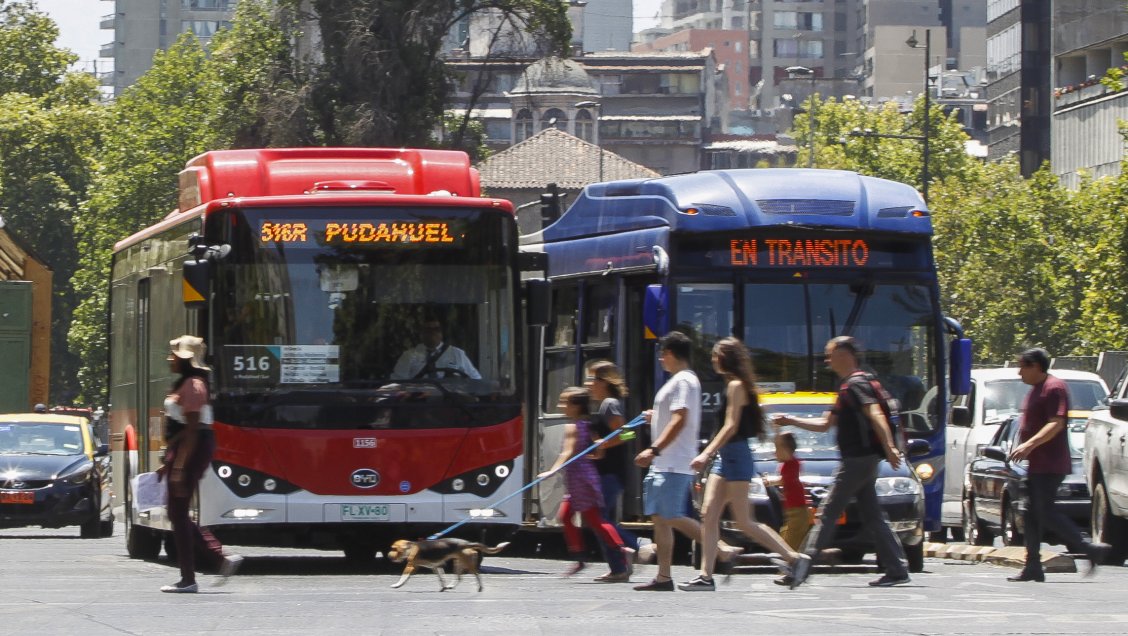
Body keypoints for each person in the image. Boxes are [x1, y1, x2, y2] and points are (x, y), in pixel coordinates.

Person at [773, 335, 911, 588]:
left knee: (827, 513)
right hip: (864, 460)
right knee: (873, 515)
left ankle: (799, 567)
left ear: (845, 355)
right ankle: (897, 569)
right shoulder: (848, 387)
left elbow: (875, 413)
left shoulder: (856, 385)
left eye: (830, 355)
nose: (827, 360)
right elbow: (825, 424)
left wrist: (890, 446)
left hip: (857, 460)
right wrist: (790, 420)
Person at [680, 337, 811, 591]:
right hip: (727, 456)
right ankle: (705, 576)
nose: (713, 360)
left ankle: (794, 558)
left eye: (716, 356)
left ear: (725, 359)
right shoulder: (735, 384)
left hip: (735, 455)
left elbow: (731, 426)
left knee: (743, 520)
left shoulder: (736, 386)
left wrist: (706, 453)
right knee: (708, 514)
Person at [1007, 347, 1109, 582]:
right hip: (1036, 465)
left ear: (1035, 366)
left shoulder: (1054, 388)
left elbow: (1056, 423)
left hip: (1050, 464)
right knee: (1030, 514)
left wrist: (1028, 445)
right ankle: (1033, 565)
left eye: (1022, 367)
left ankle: (1089, 548)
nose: (1019, 373)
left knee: (1045, 512)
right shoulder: (1036, 389)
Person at [157, 335, 242, 593]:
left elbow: (193, 430)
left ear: (186, 360)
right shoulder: (187, 383)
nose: (170, 359)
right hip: (186, 448)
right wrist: (169, 459)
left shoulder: (194, 385)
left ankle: (192, 576)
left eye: (174, 356)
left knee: (178, 512)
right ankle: (214, 561)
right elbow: (184, 429)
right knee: (177, 512)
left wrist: (179, 467)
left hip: (192, 448)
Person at [633, 331, 704, 592]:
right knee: (660, 518)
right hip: (664, 463)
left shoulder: (683, 381)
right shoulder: (678, 381)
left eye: (662, 354)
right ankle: (664, 577)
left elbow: (680, 419)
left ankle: (722, 548)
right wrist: (656, 417)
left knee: (671, 515)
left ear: (670, 353)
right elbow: (673, 417)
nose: (661, 359)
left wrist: (653, 449)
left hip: (673, 461)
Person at [538, 386, 634, 577]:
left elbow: (567, 451)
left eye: (564, 402)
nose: (560, 406)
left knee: (595, 519)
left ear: (576, 406)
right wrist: (593, 453)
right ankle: (581, 556)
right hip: (583, 477)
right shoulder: (589, 424)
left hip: (580, 480)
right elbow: (599, 452)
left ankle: (622, 549)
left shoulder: (573, 426)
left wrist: (553, 469)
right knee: (567, 516)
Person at [587, 361, 642, 583]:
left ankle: (637, 545)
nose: (588, 385)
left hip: (611, 473)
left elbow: (628, 434)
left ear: (603, 382)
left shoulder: (610, 404)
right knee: (602, 519)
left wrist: (603, 444)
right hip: (605, 471)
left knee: (600, 519)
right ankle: (618, 568)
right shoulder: (603, 405)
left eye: (591, 379)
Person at [391, 316, 480, 380]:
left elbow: (476, 379)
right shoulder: (409, 355)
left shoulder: (457, 353)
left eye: (437, 329)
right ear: (421, 333)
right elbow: (397, 382)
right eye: (428, 330)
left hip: (450, 399)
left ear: (442, 332)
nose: (433, 332)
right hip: (419, 399)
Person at [771, 432, 811, 551]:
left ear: (786, 450)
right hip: (792, 512)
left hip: (798, 512)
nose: (774, 452)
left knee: (789, 547)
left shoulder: (792, 462)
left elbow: (783, 480)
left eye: (777, 448)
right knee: (789, 543)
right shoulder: (788, 464)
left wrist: (776, 429)